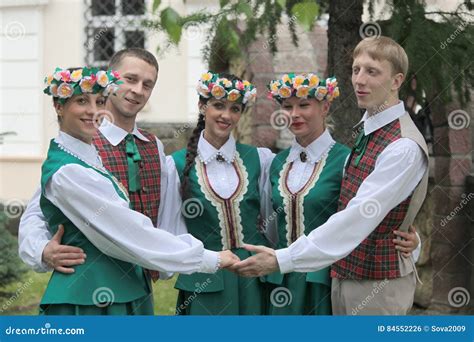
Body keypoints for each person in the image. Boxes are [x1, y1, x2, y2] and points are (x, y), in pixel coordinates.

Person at [231, 36, 429, 316]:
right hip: (342, 277)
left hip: (374, 283)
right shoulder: (368, 134)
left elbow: (359, 216)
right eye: (356, 70)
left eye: (372, 72)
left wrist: (282, 259)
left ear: (396, 81)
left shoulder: (402, 146)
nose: (359, 80)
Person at [34, 66, 239, 315]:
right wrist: (209, 259)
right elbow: (129, 232)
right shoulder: (69, 170)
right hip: (88, 296)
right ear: (58, 106)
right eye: (81, 101)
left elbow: (165, 216)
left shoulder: (87, 157)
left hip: (132, 287)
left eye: (99, 101)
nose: (92, 110)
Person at [19, 48, 168, 282]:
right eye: (129, 79)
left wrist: (166, 262)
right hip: (92, 278)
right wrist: (41, 249)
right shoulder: (80, 143)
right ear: (109, 80)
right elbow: (38, 211)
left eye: (147, 84)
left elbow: (166, 207)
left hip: (140, 280)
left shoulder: (154, 145)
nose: (137, 90)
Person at [163, 71, 274, 314]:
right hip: (205, 280)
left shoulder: (260, 159)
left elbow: (271, 222)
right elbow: (171, 229)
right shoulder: (176, 165)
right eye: (218, 106)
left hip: (253, 277)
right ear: (202, 107)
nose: (226, 115)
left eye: (235, 108)